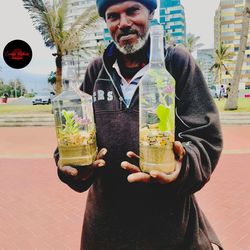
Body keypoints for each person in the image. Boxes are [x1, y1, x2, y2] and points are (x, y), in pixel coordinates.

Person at [54, 0, 223, 249]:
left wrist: (182, 166)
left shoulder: (177, 64)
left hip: (169, 226)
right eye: (113, 16)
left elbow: (206, 137)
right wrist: (70, 167)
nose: (124, 23)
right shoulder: (96, 71)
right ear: (106, 23)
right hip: (105, 226)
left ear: (151, 14)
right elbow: (79, 130)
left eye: (132, 11)